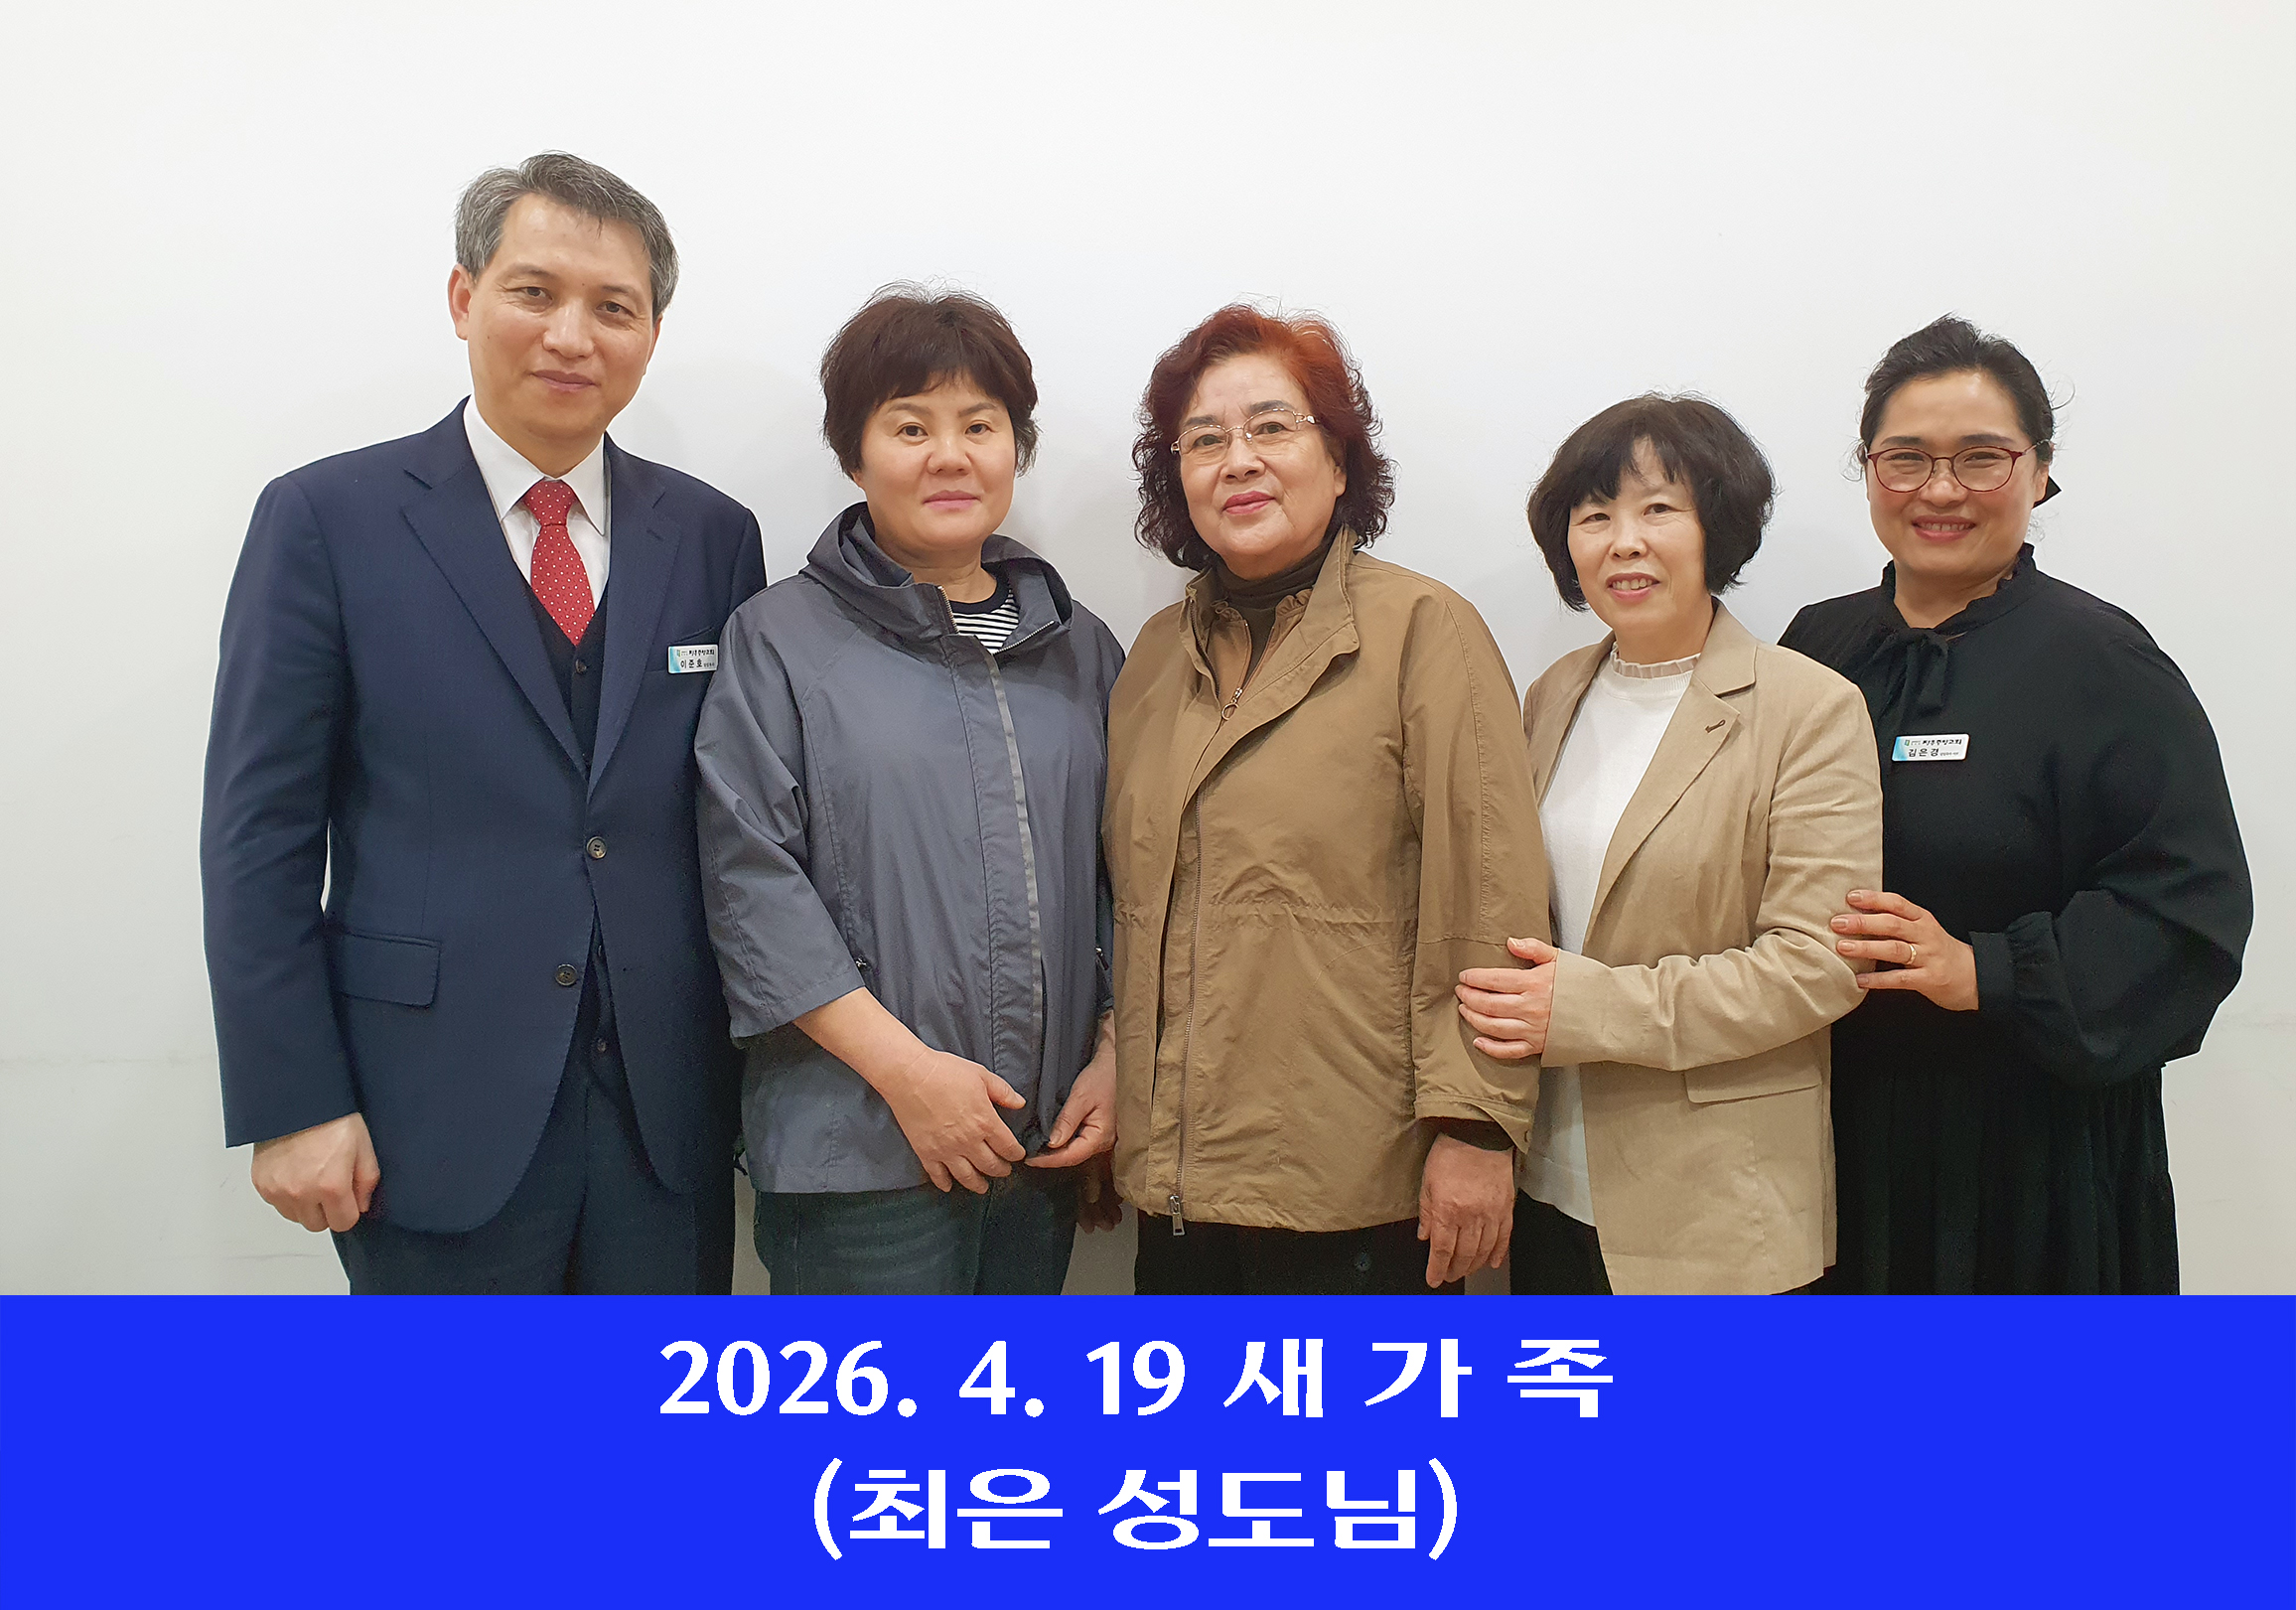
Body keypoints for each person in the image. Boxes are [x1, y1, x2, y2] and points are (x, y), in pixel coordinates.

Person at [200, 154, 765, 1292]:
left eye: (613, 308)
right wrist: (292, 1103)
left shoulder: (712, 536)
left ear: (652, 334)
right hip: (425, 1108)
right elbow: (259, 836)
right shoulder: (327, 519)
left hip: (664, 1118)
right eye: (534, 292)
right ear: (464, 298)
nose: (571, 336)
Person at [1781, 316, 2251, 1292]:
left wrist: (1984, 970)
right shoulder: (1814, 649)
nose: (1939, 489)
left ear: (2038, 473)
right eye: (1906, 458)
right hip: (1826, 1126)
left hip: (2028, 1147)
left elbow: (2188, 909)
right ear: (1867, 471)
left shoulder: (2104, 663)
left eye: (1980, 457)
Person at [1104, 304, 1548, 1294]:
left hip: (1357, 1183)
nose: (1238, 460)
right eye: (1204, 440)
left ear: (1339, 462)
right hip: (1175, 1185)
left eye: (1272, 426)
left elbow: (1489, 900)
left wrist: (1477, 1127)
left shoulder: (1425, 631)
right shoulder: (1152, 660)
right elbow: (1127, 911)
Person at [695, 288, 1124, 1294]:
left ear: (1015, 448)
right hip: (861, 1151)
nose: (950, 456)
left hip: (1040, 1139)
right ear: (854, 455)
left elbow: (1128, 871)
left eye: (980, 425)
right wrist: (908, 1076)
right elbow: (750, 881)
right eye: (910, 427)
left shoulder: (1081, 648)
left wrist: (1116, 1052)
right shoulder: (780, 640)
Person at [1455, 396, 1882, 1293]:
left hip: (1716, 1207)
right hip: (1547, 1183)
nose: (1625, 542)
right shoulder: (1551, 694)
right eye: (1595, 516)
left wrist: (1593, 1009)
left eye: (1659, 509)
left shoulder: (1810, 708)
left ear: (1715, 529)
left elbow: (1820, 965)